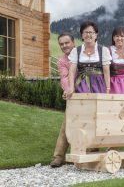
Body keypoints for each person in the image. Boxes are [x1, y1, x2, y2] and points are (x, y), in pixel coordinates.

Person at [65, 21, 111, 98]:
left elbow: (106, 72)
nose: (88, 35)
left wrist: (108, 88)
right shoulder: (76, 51)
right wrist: (71, 87)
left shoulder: (104, 50)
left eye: (91, 32)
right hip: (81, 84)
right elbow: (72, 71)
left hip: (99, 84)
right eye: (85, 32)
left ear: (96, 35)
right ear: (82, 35)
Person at [50, 33, 75, 167]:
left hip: (88, 94)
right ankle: (58, 156)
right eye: (61, 44)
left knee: (90, 123)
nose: (64, 46)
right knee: (67, 125)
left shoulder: (83, 55)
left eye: (67, 42)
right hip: (73, 96)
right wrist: (68, 90)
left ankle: (90, 152)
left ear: (73, 43)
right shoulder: (62, 61)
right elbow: (64, 78)